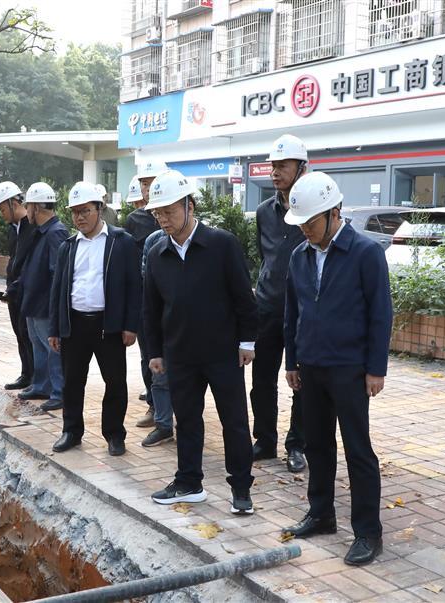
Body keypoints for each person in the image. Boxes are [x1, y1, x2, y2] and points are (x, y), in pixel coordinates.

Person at [281, 171, 392, 566]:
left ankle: (368, 532)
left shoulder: (365, 253)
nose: (305, 230)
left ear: (334, 212)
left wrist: (375, 368)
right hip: (311, 366)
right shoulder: (300, 255)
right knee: (317, 444)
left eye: (311, 222)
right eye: (300, 223)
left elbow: (381, 314)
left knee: (358, 449)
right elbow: (292, 311)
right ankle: (321, 513)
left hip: (350, 368)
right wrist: (291, 361)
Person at [143, 169, 258, 513]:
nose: (164, 219)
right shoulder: (157, 253)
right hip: (180, 353)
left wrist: (247, 341)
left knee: (234, 421)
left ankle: (241, 488)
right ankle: (189, 482)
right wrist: (155, 352)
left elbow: (243, 296)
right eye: (158, 213)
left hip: (223, 352)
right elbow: (150, 309)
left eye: (169, 211)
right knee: (188, 420)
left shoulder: (221, 244)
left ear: (189, 205)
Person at [48, 181, 141, 456]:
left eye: (85, 211)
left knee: (115, 382)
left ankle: (114, 434)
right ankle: (71, 431)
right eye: (75, 212)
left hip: (108, 326)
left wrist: (131, 325)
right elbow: (58, 289)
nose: (79, 217)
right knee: (72, 382)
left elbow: (135, 286)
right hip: (74, 324)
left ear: (99, 209)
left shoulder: (121, 242)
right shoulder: (68, 246)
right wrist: (55, 328)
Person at [251, 134, 309, 473]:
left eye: (283, 166)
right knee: (262, 379)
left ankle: (297, 445)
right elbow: (266, 257)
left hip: (303, 312)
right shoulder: (263, 212)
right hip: (268, 307)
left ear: (302, 168)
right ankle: (264, 440)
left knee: (301, 381)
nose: (275, 172)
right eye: (273, 166)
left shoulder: (313, 211)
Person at [19, 182, 69, 410]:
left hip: (44, 304)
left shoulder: (55, 232)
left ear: (36, 207)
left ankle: (59, 392)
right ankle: (41, 386)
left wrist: (53, 307)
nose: (26, 211)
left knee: (53, 349)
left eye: (28, 206)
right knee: (38, 346)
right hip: (34, 302)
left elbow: (58, 273)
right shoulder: (42, 231)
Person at [125, 162, 167, 428]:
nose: (147, 188)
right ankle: (154, 406)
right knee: (149, 355)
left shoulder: (176, 213)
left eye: (152, 182)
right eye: (144, 183)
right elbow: (130, 263)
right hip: (145, 300)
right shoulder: (135, 220)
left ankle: (176, 410)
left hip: (173, 300)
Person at [0, 181, 35, 391]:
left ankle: (37, 377)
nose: (2, 214)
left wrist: (18, 286)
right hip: (14, 291)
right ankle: (26, 374)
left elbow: (31, 264)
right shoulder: (12, 230)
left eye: (2, 209)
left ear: (13, 203)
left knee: (29, 334)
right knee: (19, 333)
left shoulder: (32, 228)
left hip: (28, 291)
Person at [139, 227, 173, 447]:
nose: (163, 218)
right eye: (159, 213)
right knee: (159, 375)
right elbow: (147, 280)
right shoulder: (153, 242)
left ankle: (189, 423)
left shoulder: (209, 240)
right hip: (160, 319)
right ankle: (163, 425)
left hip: (191, 326)